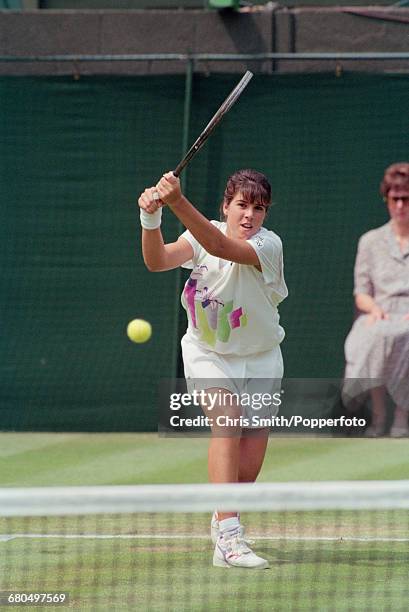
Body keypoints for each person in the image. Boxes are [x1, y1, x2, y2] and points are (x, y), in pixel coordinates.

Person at [138, 169, 288, 569]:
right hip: (207, 353)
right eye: (242, 205)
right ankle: (229, 538)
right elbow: (157, 261)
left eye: (259, 208)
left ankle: (224, 514)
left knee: (248, 467)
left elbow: (219, 246)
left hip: (261, 358)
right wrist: (151, 220)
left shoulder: (268, 245)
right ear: (226, 206)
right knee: (228, 420)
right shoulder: (199, 235)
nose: (249, 216)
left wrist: (175, 201)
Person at [343, 162, 409, 437]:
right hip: (379, 313)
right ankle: (379, 415)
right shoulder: (370, 241)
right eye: (395, 199)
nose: (400, 205)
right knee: (371, 336)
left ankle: (403, 418)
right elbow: (361, 292)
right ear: (387, 199)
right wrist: (374, 309)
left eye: (406, 199)